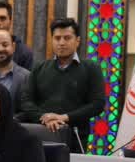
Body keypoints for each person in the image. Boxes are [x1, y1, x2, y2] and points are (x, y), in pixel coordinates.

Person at [19, 18, 105, 154]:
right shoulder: (39, 68)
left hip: (76, 139)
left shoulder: (91, 68)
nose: (62, 43)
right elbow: (26, 101)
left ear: (77, 41)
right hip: (41, 137)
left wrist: (64, 117)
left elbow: (98, 104)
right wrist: (45, 117)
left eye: (67, 38)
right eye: (57, 38)